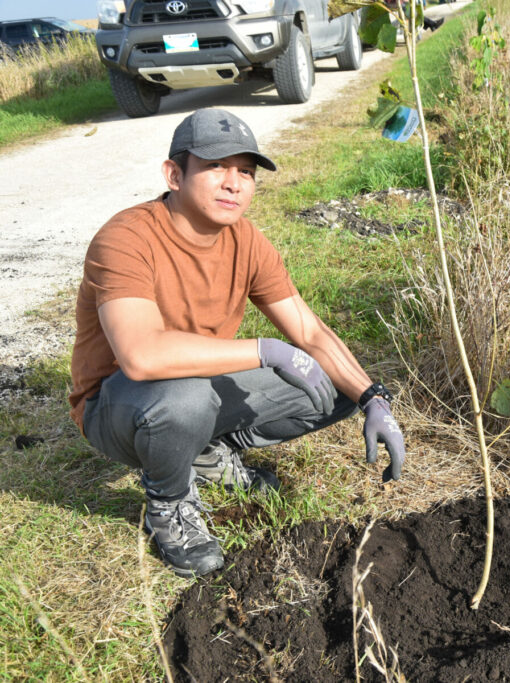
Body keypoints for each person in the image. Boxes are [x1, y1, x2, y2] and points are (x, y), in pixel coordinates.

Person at [69, 108, 406, 578]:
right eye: (214, 166)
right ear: (174, 174)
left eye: (245, 172)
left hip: (196, 386)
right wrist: (268, 350)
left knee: (335, 383)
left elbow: (309, 332)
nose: (234, 183)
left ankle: (205, 453)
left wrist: (372, 398)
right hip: (119, 405)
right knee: (184, 398)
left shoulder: (245, 240)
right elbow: (141, 355)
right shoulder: (126, 238)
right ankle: (169, 504)